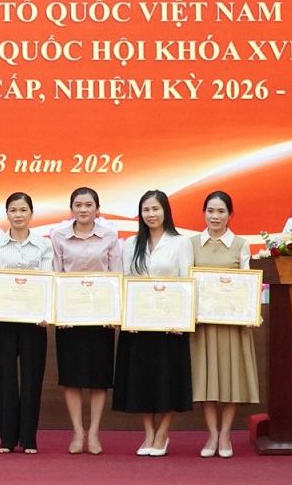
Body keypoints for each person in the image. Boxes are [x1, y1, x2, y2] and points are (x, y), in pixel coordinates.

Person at [114, 190, 193, 456]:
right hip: (138, 325)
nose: (151, 214)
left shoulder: (181, 243)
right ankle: (148, 432)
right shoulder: (130, 243)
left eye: (155, 209)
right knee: (141, 380)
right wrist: (127, 316)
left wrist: (182, 320)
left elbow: (186, 282)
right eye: (146, 210)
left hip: (171, 325)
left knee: (168, 380)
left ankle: (163, 433)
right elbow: (125, 281)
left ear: (166, 211)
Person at [50, 187, 121, 455]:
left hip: (101, 316)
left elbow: (117, 275)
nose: (83, 209)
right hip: (70, 316)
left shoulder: (110, 235)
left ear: (97, 209)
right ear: (71, 209)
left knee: (99, 378)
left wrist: (114, 313)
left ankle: (94, 433)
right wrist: (59, 313)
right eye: (78, 205)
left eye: (88, 205)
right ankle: (78, 432)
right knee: (72, 377)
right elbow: (55, 275)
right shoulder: (58, 236)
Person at [190, 190, 257, 459]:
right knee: (205, 381)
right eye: (210, 211)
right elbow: (186, 283)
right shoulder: (191, 244)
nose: (215, 216)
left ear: (230, 215)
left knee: (231, 380)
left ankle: (226, 434)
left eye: (220, 211)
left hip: (232, 325)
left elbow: (249, 285)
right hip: (203, 324)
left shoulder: (241, 245)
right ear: (204, 213)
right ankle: (212, 434)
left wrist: (250, 311)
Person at [0, 192, 52, 454]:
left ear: (31, 214)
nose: (18, 215)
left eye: (23, 210)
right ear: (7, 214)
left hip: (34, 321)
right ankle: (7, 437)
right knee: (6, 377)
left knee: (32, 378)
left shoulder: (44, 244)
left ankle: (28, 438)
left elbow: (48, 280)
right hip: (3, 320)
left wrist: (46, 312)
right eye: (13, 210)